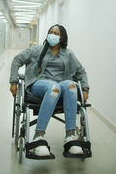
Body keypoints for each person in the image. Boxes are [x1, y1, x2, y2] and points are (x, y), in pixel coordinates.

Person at [10, 24, 89, 157]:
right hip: (39, 83)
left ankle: (70, 136)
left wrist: (85, 89)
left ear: (62, 37)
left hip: (61, 84)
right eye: (50, 32)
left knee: (71, 85)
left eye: (56, 33)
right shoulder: (37, 50)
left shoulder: (68, 54)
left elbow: (81, 71)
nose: (52, 35)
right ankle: (38, 136)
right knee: (54, 87)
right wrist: (13, 81)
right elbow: (17, 60)